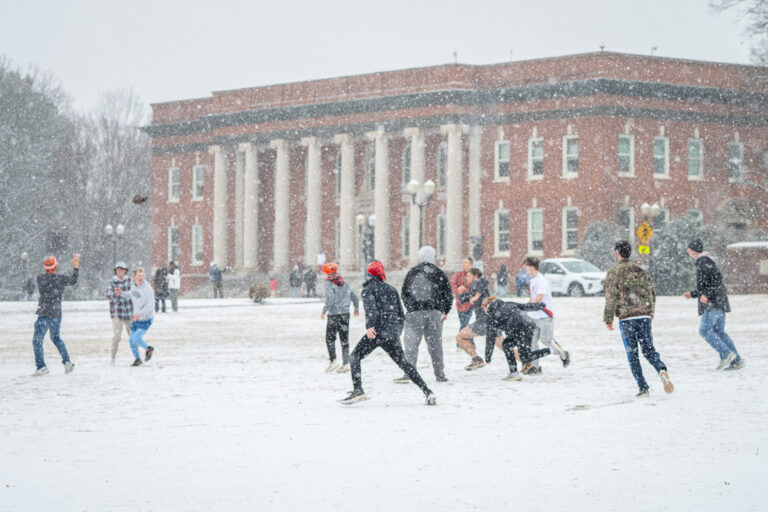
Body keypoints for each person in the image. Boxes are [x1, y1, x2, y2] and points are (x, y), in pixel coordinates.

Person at [340, 261, 436, 406]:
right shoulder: (391, 289)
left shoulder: (368, 289)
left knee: (354, 357)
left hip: (377, 331)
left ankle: (358, 390)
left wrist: (370, 326)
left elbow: (371, 309)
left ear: (368, 275)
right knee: (403, 363)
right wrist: (397, 330)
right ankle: (427, 391)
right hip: (391, 332)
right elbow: (399, 312)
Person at [604, 240, 674, 396]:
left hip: (626, 318)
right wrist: (649, 313)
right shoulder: (641, 271)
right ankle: (661, 369)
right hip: (644, 316)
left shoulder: (614, 273)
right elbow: (651, 293)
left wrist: (608, 318)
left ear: (617, 253)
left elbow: (611, 298)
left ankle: (643, 387)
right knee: (649, 349)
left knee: (632, 353)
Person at [683, 238, 744, 371]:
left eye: (689, 250)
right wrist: (693, 294)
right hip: (719, 302)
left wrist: (707, 296)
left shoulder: (703, 262)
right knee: (719, 332)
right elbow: (710, 284)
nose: (688, 253)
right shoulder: (707, 261)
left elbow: (715, 283)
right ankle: (736, 361)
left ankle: (726, 354)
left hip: (713, 304)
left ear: (694, 251)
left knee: (704, 330)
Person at [396, 246, 453, 383]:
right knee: (435, 345)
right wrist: (444, 310)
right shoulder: (439, 272)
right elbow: (448, 294)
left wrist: (411, 307)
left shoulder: (412, 272)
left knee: (411, 345)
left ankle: (409, 372)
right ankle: (440, 374)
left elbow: (404, 293)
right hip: (434, 313)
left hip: (414, 313)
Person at [483, 296, 569, 381]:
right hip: (528, 325)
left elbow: (490, 338)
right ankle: (514, 373)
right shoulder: (509, 303)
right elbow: (526, 306)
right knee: (507, 344)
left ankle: (552, 350)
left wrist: (488, 357)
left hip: (517, 329)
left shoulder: (492, 316)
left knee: (525, 357)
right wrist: (540, 305)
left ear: (487, 307)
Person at [30, 254, 80, 376]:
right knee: (56, 338)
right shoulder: (61, 279)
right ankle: (67, 362)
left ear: (45, 267)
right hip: (56, 313)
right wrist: (76, 265)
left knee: (37, 341)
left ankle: (41, 366)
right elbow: (73, 280)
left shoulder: (40, 278)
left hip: (44, 313)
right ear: (56, 266)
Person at [523, 256, 569, 375]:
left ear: (532, 267)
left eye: (526, 267)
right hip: (535, 316)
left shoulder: (541, 280)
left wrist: (527, 306)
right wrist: (526, 309)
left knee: (546, 341)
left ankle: (563, 354)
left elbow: (539, 298)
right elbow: (532, 297)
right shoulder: (532, 280)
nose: (524, 269)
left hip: (545, 316)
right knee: (532, 342)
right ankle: (536, 368)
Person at [321, 262, 360, 373]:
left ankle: (333, 361)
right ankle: (346, 363)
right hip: (345, 314)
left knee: (330, 338)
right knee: (344, 339)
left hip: (334, 314)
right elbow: (354, 296)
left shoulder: (328, 283)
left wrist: (324, 311)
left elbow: (330, 298)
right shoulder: (344, 282)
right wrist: (356, 308)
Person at [455, 268, 491, 371]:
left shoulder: (478, 282)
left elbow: (484, 281)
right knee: (502, 345)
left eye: (469, 276)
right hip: (490, 320)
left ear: (475, 276)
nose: (466, 278)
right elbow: (462, 300)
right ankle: (527, 362)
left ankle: (476, 359)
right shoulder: (472, 289)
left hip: (484, 320)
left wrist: (476, 296)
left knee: (460, 337)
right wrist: (461, 292)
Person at [106, 261, 133, 364]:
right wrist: (115, 294)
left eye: (122, 269)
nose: (120, 271)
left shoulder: (130, 280)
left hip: (129, 311)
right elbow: (108, 294)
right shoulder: (112, 281)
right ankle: (112, 358)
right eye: (118, 269)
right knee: (117, 336)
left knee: (133, 336)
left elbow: (134, 293)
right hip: (117, 312)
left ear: (125, 271)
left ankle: (137, 357)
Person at [128, 267, 155, 367]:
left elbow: (150, 306)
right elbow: (130, 295)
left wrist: (140, 314)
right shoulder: (133, 287)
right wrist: (121, 293)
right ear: (134, 277)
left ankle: (148, 348)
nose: (141, 278)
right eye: (139, 276)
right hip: (136, 318)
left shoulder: (147, 289)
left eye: (142, 276)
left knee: (136, 338)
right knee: (131, 340)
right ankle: (138, 359)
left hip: (146, 319)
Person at [450, 257, 474, 335]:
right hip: (460, 303)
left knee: (465, 324)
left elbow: (478, 287)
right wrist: (458, 289)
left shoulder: (474, 275)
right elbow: (452, 285)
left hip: (470, 303)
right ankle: (466, 343)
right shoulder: (458, 274)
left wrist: (466, 290)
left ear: (471, 264)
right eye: (463, 262)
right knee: (464, 324)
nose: (463, 264)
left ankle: (462, 343)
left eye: (466, 262)